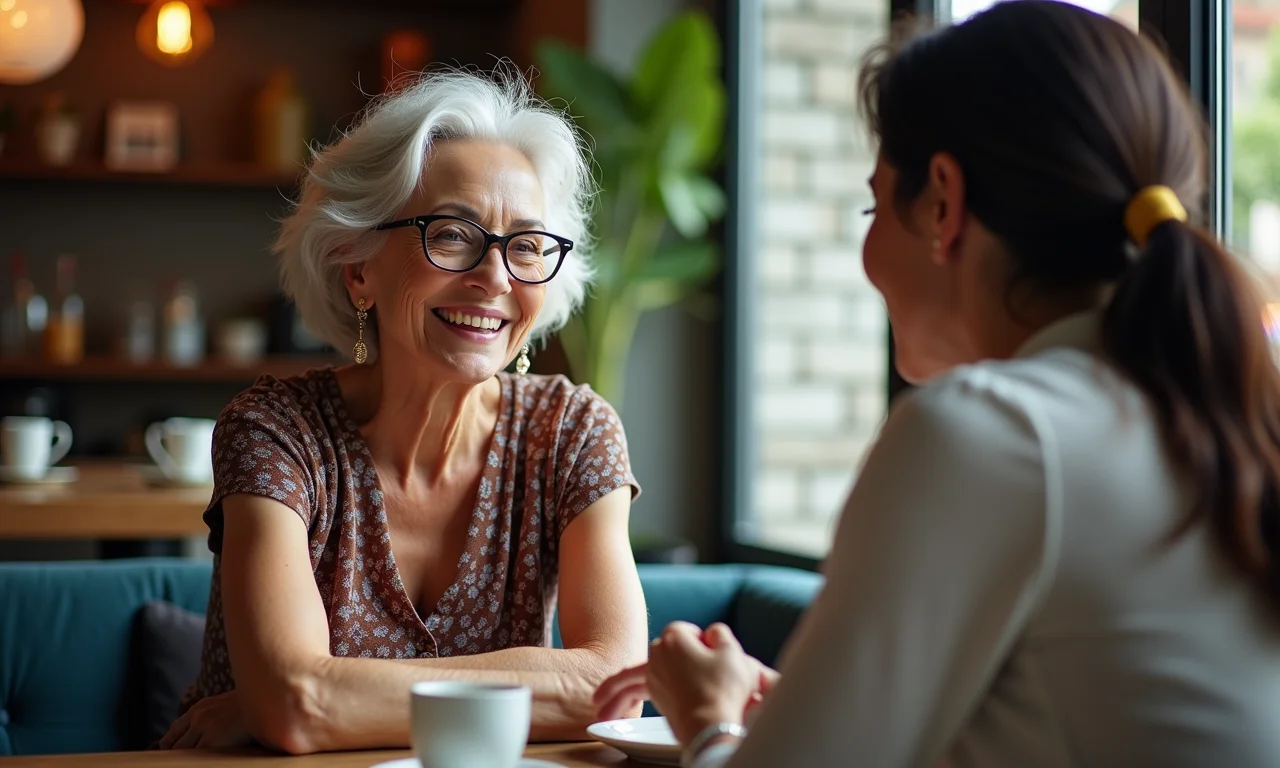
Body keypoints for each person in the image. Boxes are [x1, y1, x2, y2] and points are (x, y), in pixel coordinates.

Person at [595, 2, 1280, 766]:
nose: (865, 249)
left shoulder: (992, 431)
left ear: (943, 204)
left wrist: (709, 720)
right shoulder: (1219, 412)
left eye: (873, 202)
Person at [159, 69, 648, 753]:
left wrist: (317, 696)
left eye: (528, 246)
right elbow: (298, 705)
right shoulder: (276, 431)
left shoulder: (571, 433)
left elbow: (617, 685)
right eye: (452, 234)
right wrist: (296, 698)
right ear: (358, 268)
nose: (497, 278)